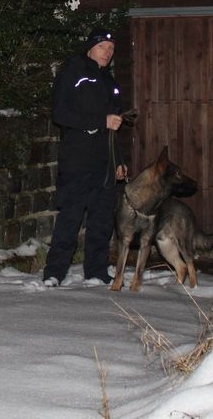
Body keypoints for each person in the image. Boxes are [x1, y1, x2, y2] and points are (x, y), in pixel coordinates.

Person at [43, 27, 128, 287]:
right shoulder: (74, 72)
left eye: (111, 49)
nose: (108, 53)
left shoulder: (110, 82)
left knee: (102, 220)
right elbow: (61, 114)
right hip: (78, 159)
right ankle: (54, 272)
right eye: (103, 47)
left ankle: (96, 271)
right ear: (91, 47)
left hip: (105, 162)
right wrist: (100, 121)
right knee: (70, 217)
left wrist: (120, 160)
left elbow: (115, 127)